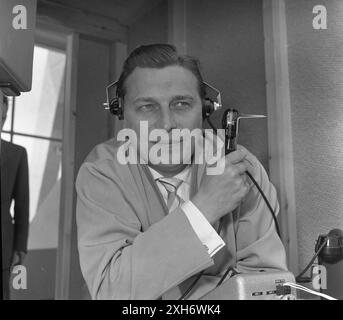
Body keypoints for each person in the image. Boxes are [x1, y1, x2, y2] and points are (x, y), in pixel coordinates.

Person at [76, 44, 287, 300]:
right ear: (121, 113)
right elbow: (112, 289)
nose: (166, 124)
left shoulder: (241, 169)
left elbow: (265, 286)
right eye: (147, 107)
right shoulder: (102, 171)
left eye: (181, 104)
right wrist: (204, 209)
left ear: (205, 109)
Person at [1, 95, 29, 300]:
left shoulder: (17, 154)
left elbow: (22, 205)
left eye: (2, 116)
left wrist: (20, 247)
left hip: (3, 247)